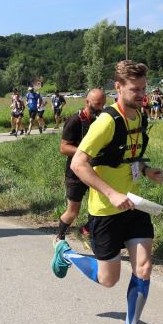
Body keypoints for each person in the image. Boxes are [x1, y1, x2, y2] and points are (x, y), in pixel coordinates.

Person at [51, 60, 163, 324]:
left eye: (144, 88)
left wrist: (146, 170)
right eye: (135, 89)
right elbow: (78, 163)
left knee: (144, 267)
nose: (141, 94)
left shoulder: (140, 117)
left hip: (133, 205)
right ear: (118, 87)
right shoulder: (106, 121)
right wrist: (112, 193)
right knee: (108, 279)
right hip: (105, 209)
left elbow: (126, 157)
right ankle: (66, 253)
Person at [55, 89, 106, 242]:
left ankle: (87, 230)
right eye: (97, 104)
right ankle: (59, 238)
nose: (101, 108)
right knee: (73, 211)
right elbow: (63, 148)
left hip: (95, 171)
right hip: (75, 173)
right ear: (87, 102)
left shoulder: (101, 121)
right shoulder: (75, 120)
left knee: (102, 206)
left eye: (103, 104)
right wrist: (86, 153)